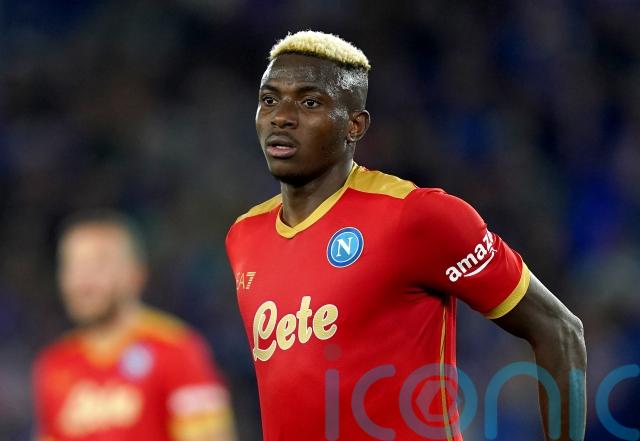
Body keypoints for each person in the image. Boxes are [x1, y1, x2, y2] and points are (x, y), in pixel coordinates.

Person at [225, 31, 587, 441]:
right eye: (269, 99)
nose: (281, 117)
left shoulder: (416, 217)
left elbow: (560, 330)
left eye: (309, 102)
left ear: (355, 126)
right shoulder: (244, 236)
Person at [33, 210, 237, 441]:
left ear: (136, 274)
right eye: (72, 265)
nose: (82, 279)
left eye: (99, 264)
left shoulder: (176, 350)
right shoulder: (53, 365)